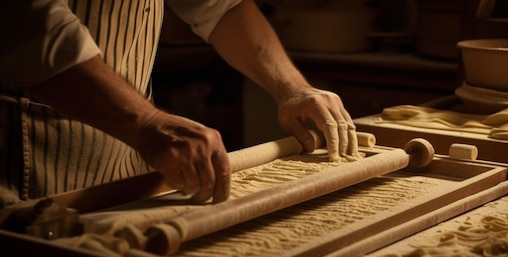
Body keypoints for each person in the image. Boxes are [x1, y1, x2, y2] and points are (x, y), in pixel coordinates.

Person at [0, 0, 360, 208]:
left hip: (128, 159)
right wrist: (146, 123)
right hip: (25, 161)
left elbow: (221, 6)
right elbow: (29, 24)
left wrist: (292, 87)